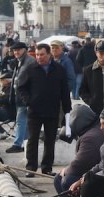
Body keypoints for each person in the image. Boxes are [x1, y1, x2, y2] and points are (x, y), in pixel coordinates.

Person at [16, 43, 72, 176]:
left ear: (49, 54)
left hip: (52, 110)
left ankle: (47, 168)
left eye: (42, 54)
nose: (39, 57)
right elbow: (21, 87)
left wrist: (67, 110)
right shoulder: (31, 69)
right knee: (32, 139)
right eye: (37, 55)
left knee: (50, 140)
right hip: (34, 111)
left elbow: (64, 92)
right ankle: (31, 168)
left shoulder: (59, 70)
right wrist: (28, 101)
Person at [54, 104, 104, 197]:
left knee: (66, 181)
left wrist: (66, 170)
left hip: (98, 177)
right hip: (96, 172)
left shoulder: (90, 137)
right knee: (60, 178)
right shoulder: (92, 131)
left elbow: (80, 164)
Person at [5, 41, 34, 154]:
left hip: (25, 97)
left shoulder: (29, 62)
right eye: (14, 50)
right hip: (21, 97)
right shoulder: (20, 61)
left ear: (24, 50)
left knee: (21, 121)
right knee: (24, 121)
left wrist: (28, 98)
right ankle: (25, 143)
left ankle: (18, 144)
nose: (16, 52)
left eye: (18, 50)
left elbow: (31, 81)